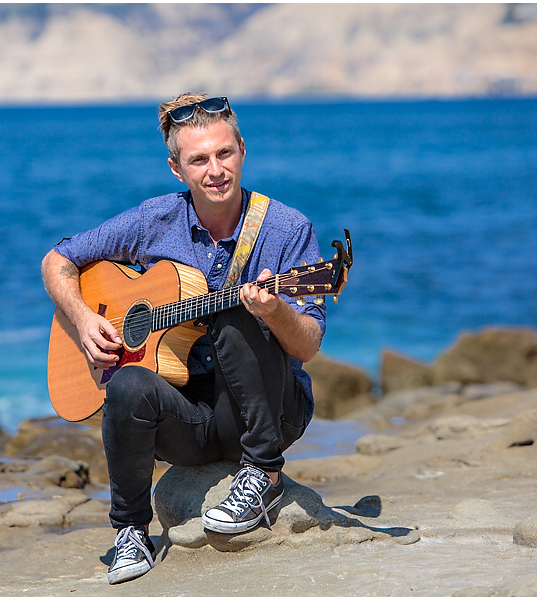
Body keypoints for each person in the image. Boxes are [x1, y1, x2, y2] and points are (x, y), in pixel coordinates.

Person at [41, 93, 326, 585]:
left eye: (224, 153)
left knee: (238, 318)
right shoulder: (155, 219)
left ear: (242, 149)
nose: (215, 170)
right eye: (199, 160)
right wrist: (86, 320)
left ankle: (264, 477)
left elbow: (307, 345)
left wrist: (276, 311)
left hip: (265, 413)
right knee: (127, 384)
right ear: (177, 168)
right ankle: (131, 531)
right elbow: (57, 261)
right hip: (188, 420)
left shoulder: (287, 228)